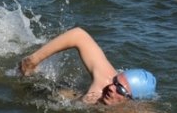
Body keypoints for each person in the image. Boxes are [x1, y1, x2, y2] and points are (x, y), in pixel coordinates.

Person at [19, 27, 156, 105]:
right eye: (116, 81)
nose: (111, 88)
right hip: (57, 94)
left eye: (120, 89)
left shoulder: (131, 112)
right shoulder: (105, 79)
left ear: (131, 100)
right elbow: (79, 35)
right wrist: (34, 59)